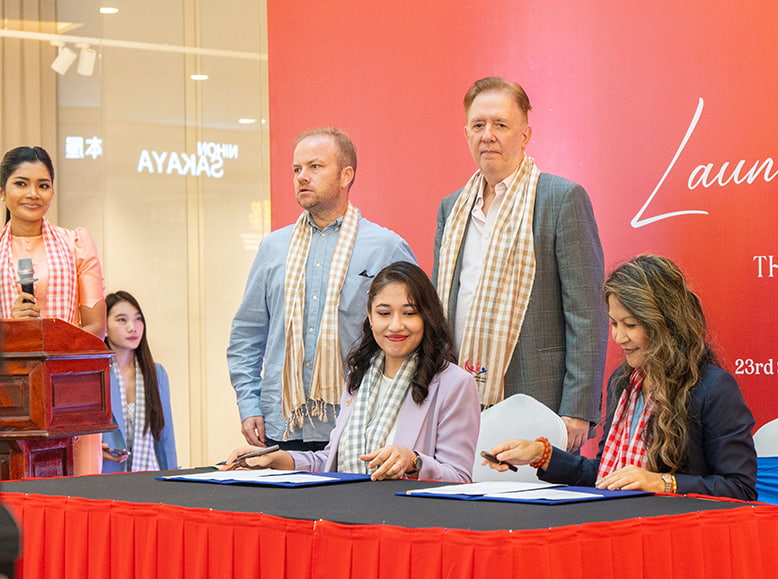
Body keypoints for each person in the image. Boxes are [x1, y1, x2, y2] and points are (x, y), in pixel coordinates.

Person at [485, 255, 757, 500]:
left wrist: (661, 482)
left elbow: (739, 488)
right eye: (614, 323)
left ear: (665, 324)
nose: (618, 337)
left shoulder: (713, 388)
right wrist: (541, 455)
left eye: (631, 325)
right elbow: (606, 475)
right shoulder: (623, 382)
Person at [433, 77, 606, 452]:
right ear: (466, 134)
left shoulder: (561, 200)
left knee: (532, 509)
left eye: (500, 124)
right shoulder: (452, 209)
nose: (488, 135)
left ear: (525, 135)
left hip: (537, 397)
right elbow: (441, 309)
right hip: (459, 398)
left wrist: (577, 409)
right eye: (478, 125)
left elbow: (587, 314)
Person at [228, 128, 416, 451]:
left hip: (362, 423)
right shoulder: (273, 248)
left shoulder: (386, 247)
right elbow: (247, 333)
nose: (302, 177)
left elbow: (416, 334)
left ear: (346, 175)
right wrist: (249, 404)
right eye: (296, 169)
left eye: (315, 167)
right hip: (282, 425)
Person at [222, 262, 480, 483]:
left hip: (408, 525)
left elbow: (459, 478)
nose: (395, 325)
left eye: (409, 313)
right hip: (347, 515)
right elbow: (333, 462)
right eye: (384, 313)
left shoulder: (455, 384)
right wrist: (278, 459)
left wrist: (414, 462)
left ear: (428, 317)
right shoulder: (360, 376)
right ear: (370, 316)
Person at [0, 145, 106, 475]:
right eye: (21, 183)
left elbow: (96, 329)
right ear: (2, 190)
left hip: (71, 395)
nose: (33, 193)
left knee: (78, 500)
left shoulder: (76, 244)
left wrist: (45, 341)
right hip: (9, 395)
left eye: (43, 185)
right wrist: (14, 329)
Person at [101, 291, 177, 473]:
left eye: (138, 319)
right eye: (121, 320)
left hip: (147, 476)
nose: (132, 327)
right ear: (105, 326)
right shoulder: (94, 374)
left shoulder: (156, 373)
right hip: (103, 478)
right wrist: (96, 451)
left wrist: (174, 478)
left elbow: (165, 437)